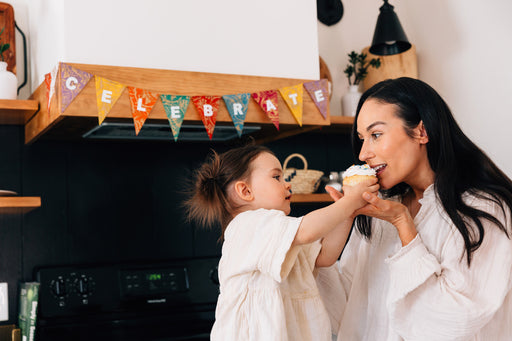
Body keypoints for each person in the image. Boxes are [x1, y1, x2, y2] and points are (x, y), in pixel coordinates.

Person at [318, 77, 512, 340]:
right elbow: (350, 305)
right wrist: (341, 218)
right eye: (362, 139)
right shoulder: (379, 211)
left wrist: (403, 225)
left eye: (376, 135)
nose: (363, 153)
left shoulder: (482, 209)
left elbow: (452, 321)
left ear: (421, 132)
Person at [184, 143, 378, 341]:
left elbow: (324, 256)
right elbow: (308, 230)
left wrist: (347, 215)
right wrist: (348, 202)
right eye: (277, 177)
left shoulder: (281, 235)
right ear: (245, 191)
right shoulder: (248, 225)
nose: (287, 184)